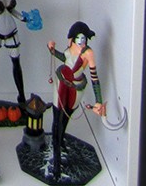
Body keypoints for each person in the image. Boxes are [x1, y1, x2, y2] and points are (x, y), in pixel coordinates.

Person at [47, 21, 105, 181]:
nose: (82, 41)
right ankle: (56, 159)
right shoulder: (70, 48)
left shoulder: (88, 53)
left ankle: (60, 141)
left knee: (66, 116)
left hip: (76, 87)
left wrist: (98, 101)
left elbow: (94, 77)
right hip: (61, 83)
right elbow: (64, 58)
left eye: (84, 38)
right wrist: (52, 50)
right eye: (79, 38)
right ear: (72, 38)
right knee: (57, 120)